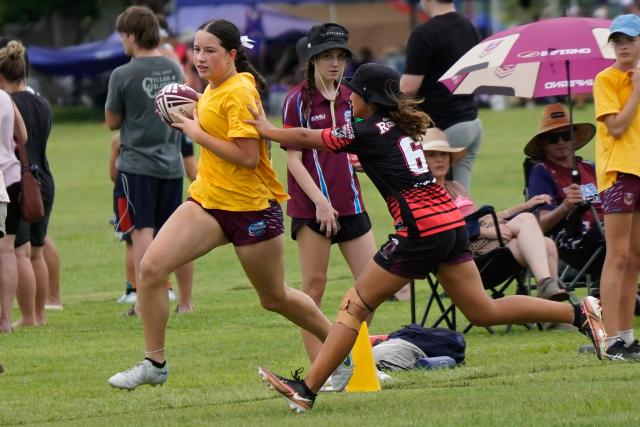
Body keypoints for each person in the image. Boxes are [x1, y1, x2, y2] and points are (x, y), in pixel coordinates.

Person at [247, 63, 606, 413]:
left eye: (352, 93)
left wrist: (267, 129)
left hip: (421, 230)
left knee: (353, 306)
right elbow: (381, 156)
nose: (348, 99)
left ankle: (307, 389)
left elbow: (310, 139)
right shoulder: (398, 128)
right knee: (481, 310)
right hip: (450, 224)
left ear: (368, 98)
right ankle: (580, 313)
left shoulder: (365, 130)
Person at [107, 18, 336, 390]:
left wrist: (194, 131)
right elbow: (216, 121)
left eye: (209, 50)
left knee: (275, 298)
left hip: (250, 210)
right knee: (150, 269)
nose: (199, 57)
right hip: (208, 201)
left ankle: (342, 351)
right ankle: (155, 362)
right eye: (196, 49)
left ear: (231, 54)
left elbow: (247, 157)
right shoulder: (213, 87)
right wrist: (195, 108)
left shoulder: (240, 92)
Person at [281, 23, 377, 382]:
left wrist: (360, 162)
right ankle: (325, 371)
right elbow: (293, 159)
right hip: (311, 208)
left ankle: (353, 361)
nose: (334, 64)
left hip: (351, 203)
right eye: (326, 57)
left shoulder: (354, 98)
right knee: (313, 291)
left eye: (339, 56)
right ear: (311, 60)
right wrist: (320, 202)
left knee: (371, 289)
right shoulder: (297, 100)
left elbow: (362, 145)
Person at [104, 6, 192, 317]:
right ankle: (185, 302)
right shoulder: (173, 68)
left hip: (136, 167)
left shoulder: (122, 73)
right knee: (176, 237)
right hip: (171, 164)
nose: (122, 43)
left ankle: (143, 303)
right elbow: (183, 111)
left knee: (142, 235)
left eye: (122, 37)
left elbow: (112, 121)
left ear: (132, 35)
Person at [421, 128, 568, 301]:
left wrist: (524, 206)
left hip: (488, 251)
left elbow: (480, 219)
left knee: (547, 243)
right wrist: (485, 232)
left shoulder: (456, 187)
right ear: (421, 161)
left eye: (443, 154)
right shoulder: (424, 195)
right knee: (530, 224)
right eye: (431, 155)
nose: (439, 159)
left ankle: (550, 304)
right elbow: (441, 231)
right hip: (466, 258)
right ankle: (547, 291)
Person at [592, 14, 640, 361]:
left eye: (630, 40)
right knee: (618, 255)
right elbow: (619, 127)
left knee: (635, 257)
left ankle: (627, 336)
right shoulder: (606, 79)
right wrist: (637, 90)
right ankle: (610, 341)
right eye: (618, 41)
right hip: (618, 172)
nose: (623, 46)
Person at [400, 0, 483, 191]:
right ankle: (468, 221)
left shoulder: (424, 33)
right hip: (471, 122)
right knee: (461, 197)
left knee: (432, 196)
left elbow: (408, 88)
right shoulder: (469, 27)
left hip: (443, 127)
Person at [0, 39, 53, 328]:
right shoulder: (41, 102)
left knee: (18, 251)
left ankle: (28, 316)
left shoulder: (7, 102)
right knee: (38, 250)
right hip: (43, 176)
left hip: (18, 178)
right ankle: (40, 315)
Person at [526, 104, 605, 279]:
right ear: (543, 144)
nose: (561, 142)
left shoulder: (591, 168)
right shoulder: (542, 173)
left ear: (574, 138)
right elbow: (539, 225)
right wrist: (565, 207)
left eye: (566, 135)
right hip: (574, 244)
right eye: (553, 138)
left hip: (609, 234)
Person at [0, 89, 25, 332]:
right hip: (11, 176)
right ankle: (5, 319)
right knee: (7, 251)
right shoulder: (6, 97)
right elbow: (23, 136)